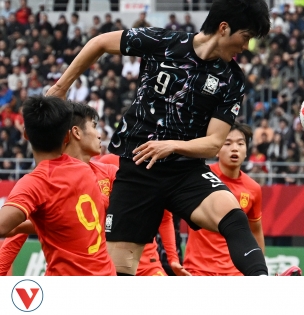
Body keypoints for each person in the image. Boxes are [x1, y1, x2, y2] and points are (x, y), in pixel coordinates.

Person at [46, 0, 278, 276]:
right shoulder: (163, 41)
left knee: (234, 217)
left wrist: (172, 145)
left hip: (186, 173)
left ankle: (264, 285)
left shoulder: (232, 79)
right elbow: (98, 43)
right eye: (246, 37)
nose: (246, 47)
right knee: (118, 273)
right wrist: (61, 87)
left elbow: (214, 143)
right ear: (224, 28)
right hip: (138, 168)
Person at [0, 96, 116, 275]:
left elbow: (2, 226)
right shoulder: (85, 169)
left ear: (25, 135)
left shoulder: (35, 182)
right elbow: (71, 221)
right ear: (69, 134)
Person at [185, 123, 264, 275]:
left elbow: (256, 232)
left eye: (240, 144)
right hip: (198, 270)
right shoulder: (199, 176)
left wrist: (258, 268)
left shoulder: (253, 188)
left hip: (236, 273)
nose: (235, 148)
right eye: (227, 143)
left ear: (246, 151)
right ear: (217, 149)